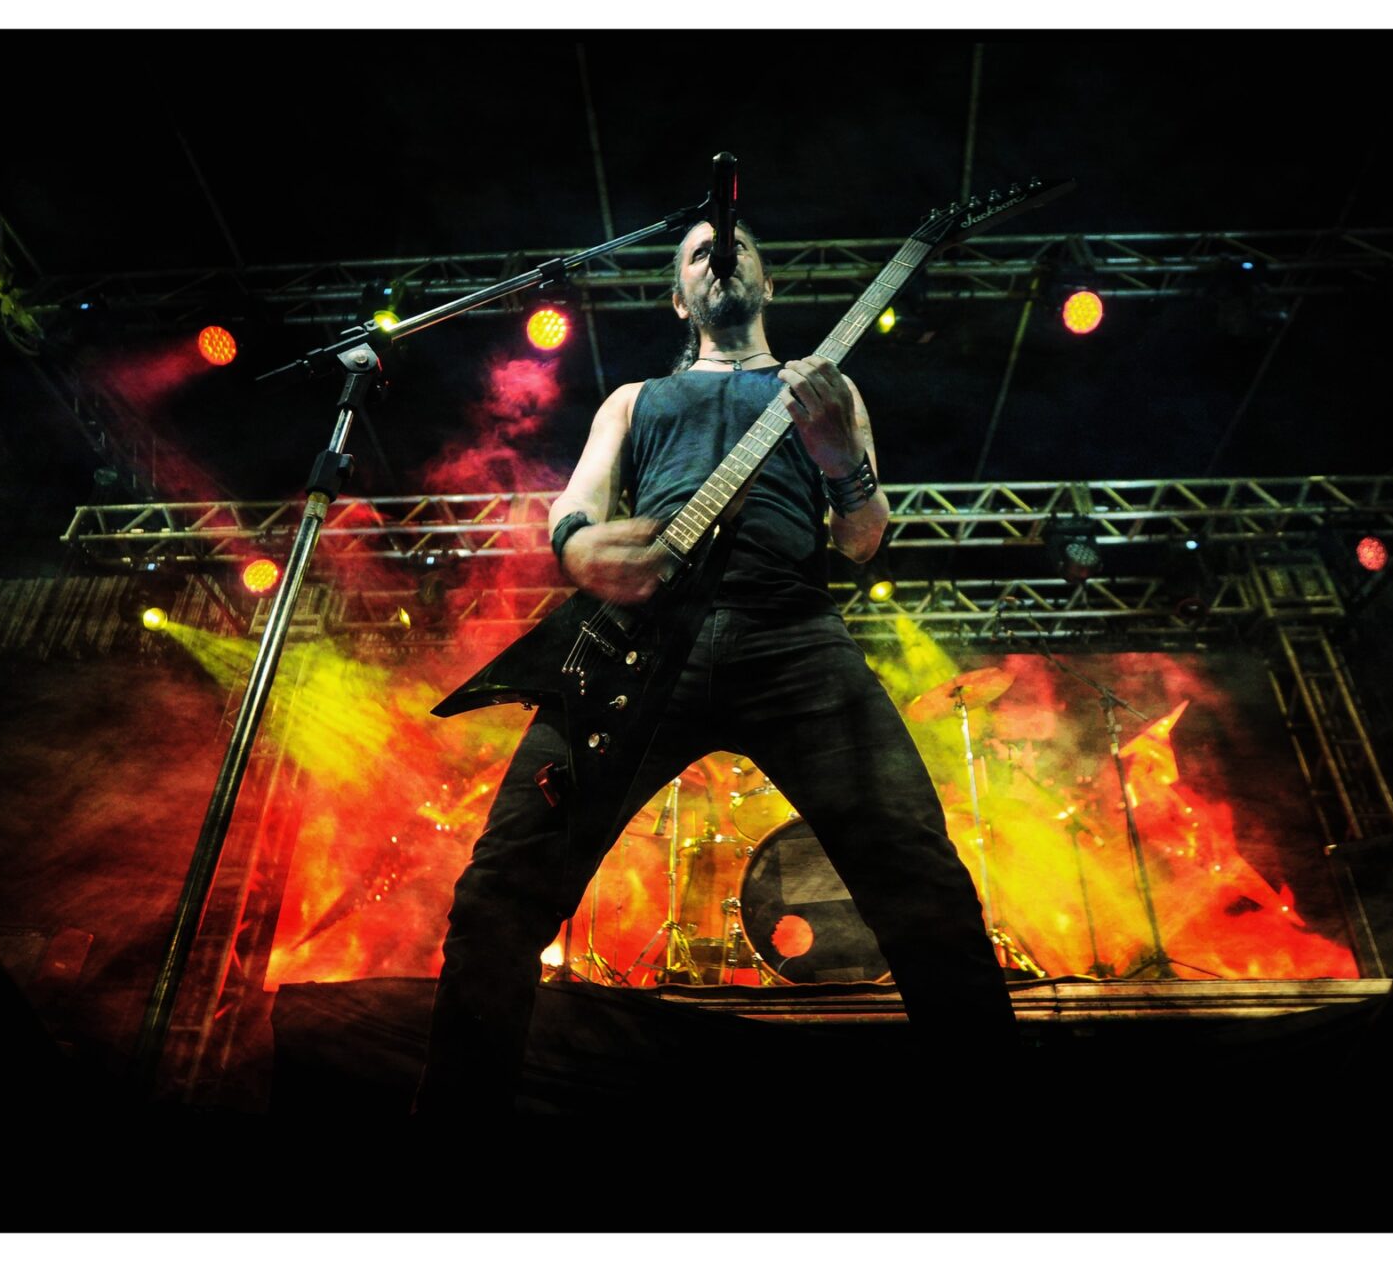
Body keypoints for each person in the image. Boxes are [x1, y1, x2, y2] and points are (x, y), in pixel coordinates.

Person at [412, 217, 1017, 1116]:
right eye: (699, 252)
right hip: (640, 649)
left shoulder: (827, 387)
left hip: (794, 636)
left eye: (736, 249)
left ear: (767, 284)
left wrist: (842, 463)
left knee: (922, 882)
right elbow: (575, 505)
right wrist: (579, 548)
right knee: (501, 891)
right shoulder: (635, 400)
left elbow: (862, 538)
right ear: (677, 297)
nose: (719, 257)